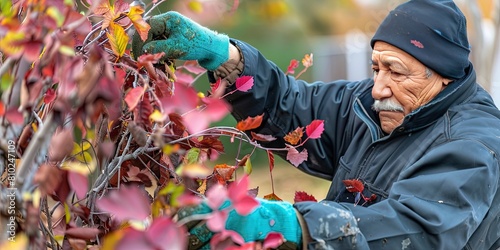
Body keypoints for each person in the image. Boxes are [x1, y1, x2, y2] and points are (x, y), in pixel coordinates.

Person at [132, 0, 500, 249]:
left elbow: (415, 231)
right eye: (376, 67)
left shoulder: (474, 145)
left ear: (445, 77)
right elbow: (289, 109)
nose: (379, 87)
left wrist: (292, 225)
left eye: (396, 71)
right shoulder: (369, 105)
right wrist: (224, 55)